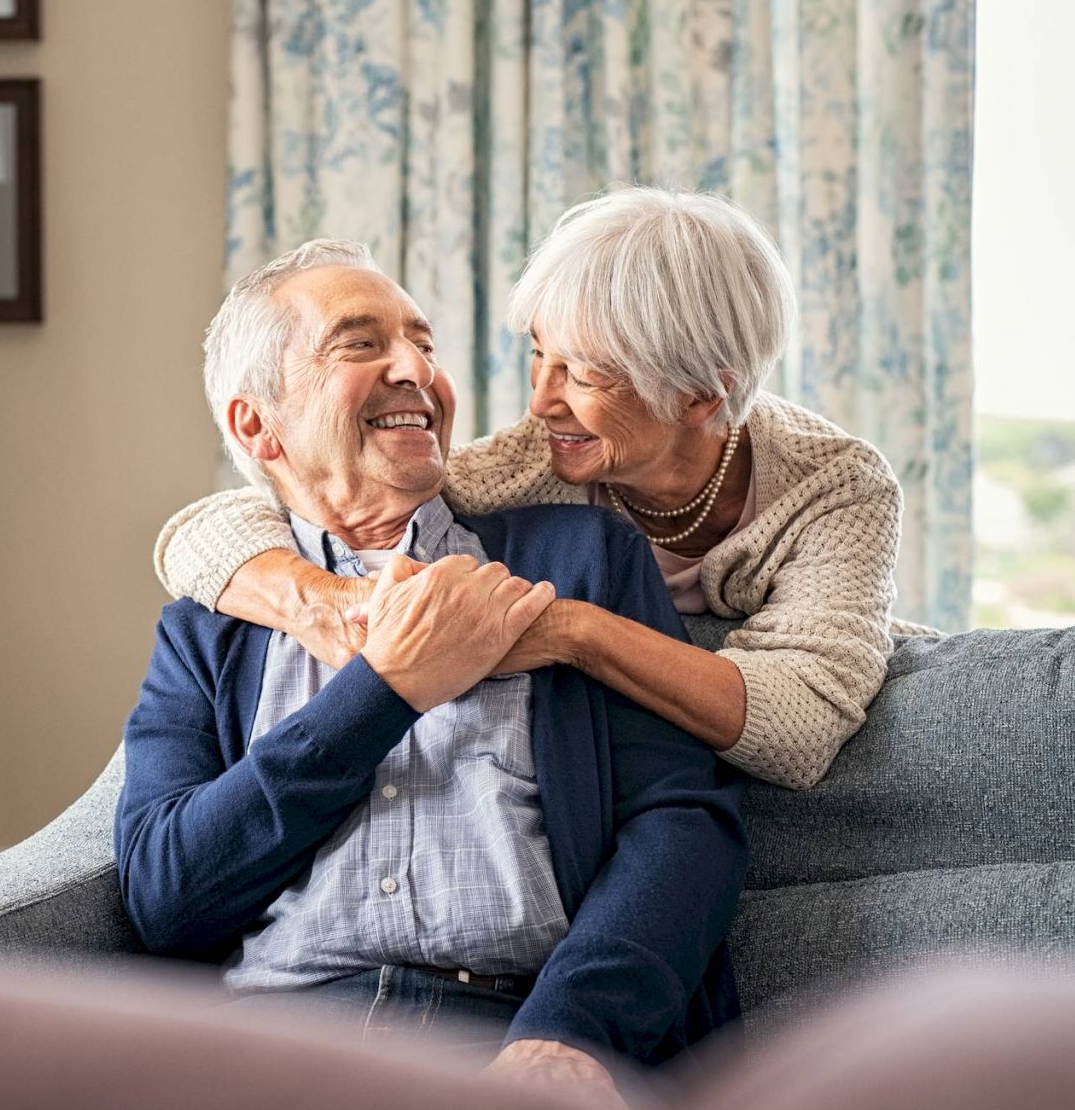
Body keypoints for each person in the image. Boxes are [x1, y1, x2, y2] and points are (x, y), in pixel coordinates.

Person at [115, 241, 745, 1106]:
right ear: (258, 424)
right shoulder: (208, 625)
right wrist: (386, 689)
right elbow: (166, 897)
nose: (417, 369)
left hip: (516, 1031)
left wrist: (571, 1032)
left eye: (424, 343)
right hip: (280, 1048)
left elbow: (683, 827)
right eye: (359, 344)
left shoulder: (579, 560)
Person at [154, 188, 908, 790]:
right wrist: (324, 600)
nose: (542, 402)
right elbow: (211, 527)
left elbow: (801, 726)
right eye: (539, 356)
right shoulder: (532, 461)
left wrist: (571, 632)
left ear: (700, 397)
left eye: (580, 373)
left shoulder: (835, 488)